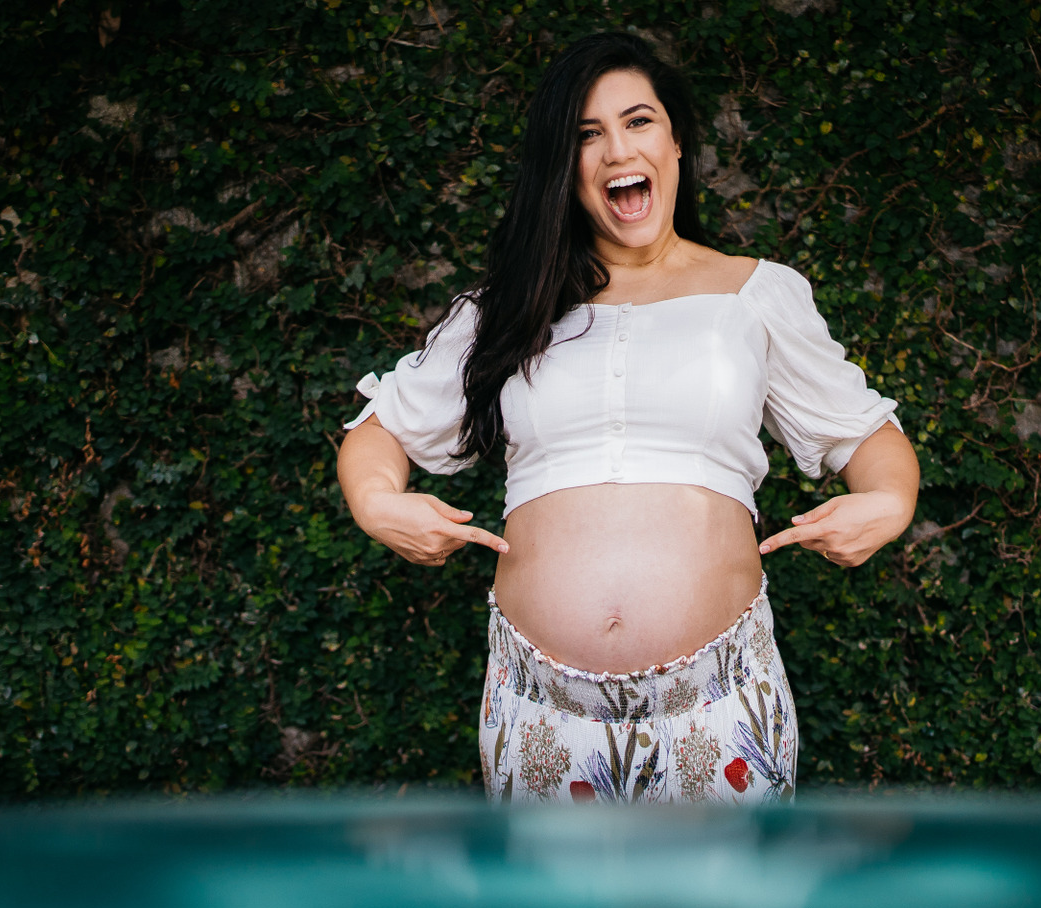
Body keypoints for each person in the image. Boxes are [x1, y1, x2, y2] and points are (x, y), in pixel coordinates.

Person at [336, 32, 919, 803]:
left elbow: (867, 436)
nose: (617, 149)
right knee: (549, 890)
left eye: (638, 121)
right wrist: (378, 503)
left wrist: (888, 502)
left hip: (721, 704)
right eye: (587, 134)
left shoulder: (756, 296)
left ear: (675, 143)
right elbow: (381, 430)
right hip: (539, 711)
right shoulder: (507, 309)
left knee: (729, 888)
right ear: (563, 166)